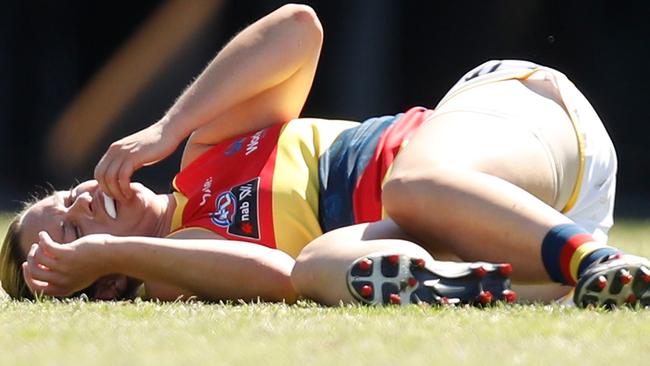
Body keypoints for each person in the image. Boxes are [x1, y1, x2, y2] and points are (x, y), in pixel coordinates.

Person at [1, 4, 648, 308]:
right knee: (319, 265)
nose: (81, 199)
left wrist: (169, 128)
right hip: (511, 235)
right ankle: (493, 289)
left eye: (64, 200)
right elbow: (279, 276)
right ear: (107, 280)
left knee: (411, 187)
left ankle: (603, 265)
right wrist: (115, 253)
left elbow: (298, 28)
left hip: (521, 130)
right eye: (74, 230)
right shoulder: (174, 272)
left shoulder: (203, 148)